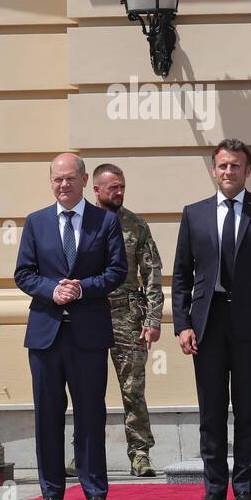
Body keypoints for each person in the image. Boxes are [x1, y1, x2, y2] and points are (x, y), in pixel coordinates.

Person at [172, 138, 251, 500]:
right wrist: (182, 324)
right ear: (213, 169)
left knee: (248, 410)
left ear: (247, 171)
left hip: (250, 325)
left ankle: (244, 492)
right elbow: (181, 276)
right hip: (206, 325)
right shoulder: (194, 214)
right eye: (222, 165)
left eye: (235, 166)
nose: (228, 172)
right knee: (211, 412)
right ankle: (213, 491)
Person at [15, 152, 127, 500]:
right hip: (45, 334)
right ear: (51, 182)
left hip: (89, 335)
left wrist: (81, 289)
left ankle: (95, 491)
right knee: (47, 415)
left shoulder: (105, 222)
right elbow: (24, 274)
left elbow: (117, 272)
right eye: (57, 179)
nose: (63, 185)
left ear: (83, 181)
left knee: (90, 416)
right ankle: (51, 494)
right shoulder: (36, 222)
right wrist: (52, 290)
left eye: (69, 178)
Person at [92, 163, 164, 478]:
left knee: (133, 388)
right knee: (88, 389)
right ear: (96, 189)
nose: (119, 192)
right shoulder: (83, 224)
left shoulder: (136, 226)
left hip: (128, 316)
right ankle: (85, 452)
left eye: (122, 187)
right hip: (90, 314)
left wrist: (153, 318)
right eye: (113, 188)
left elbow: (152, 274)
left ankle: (140, 454)